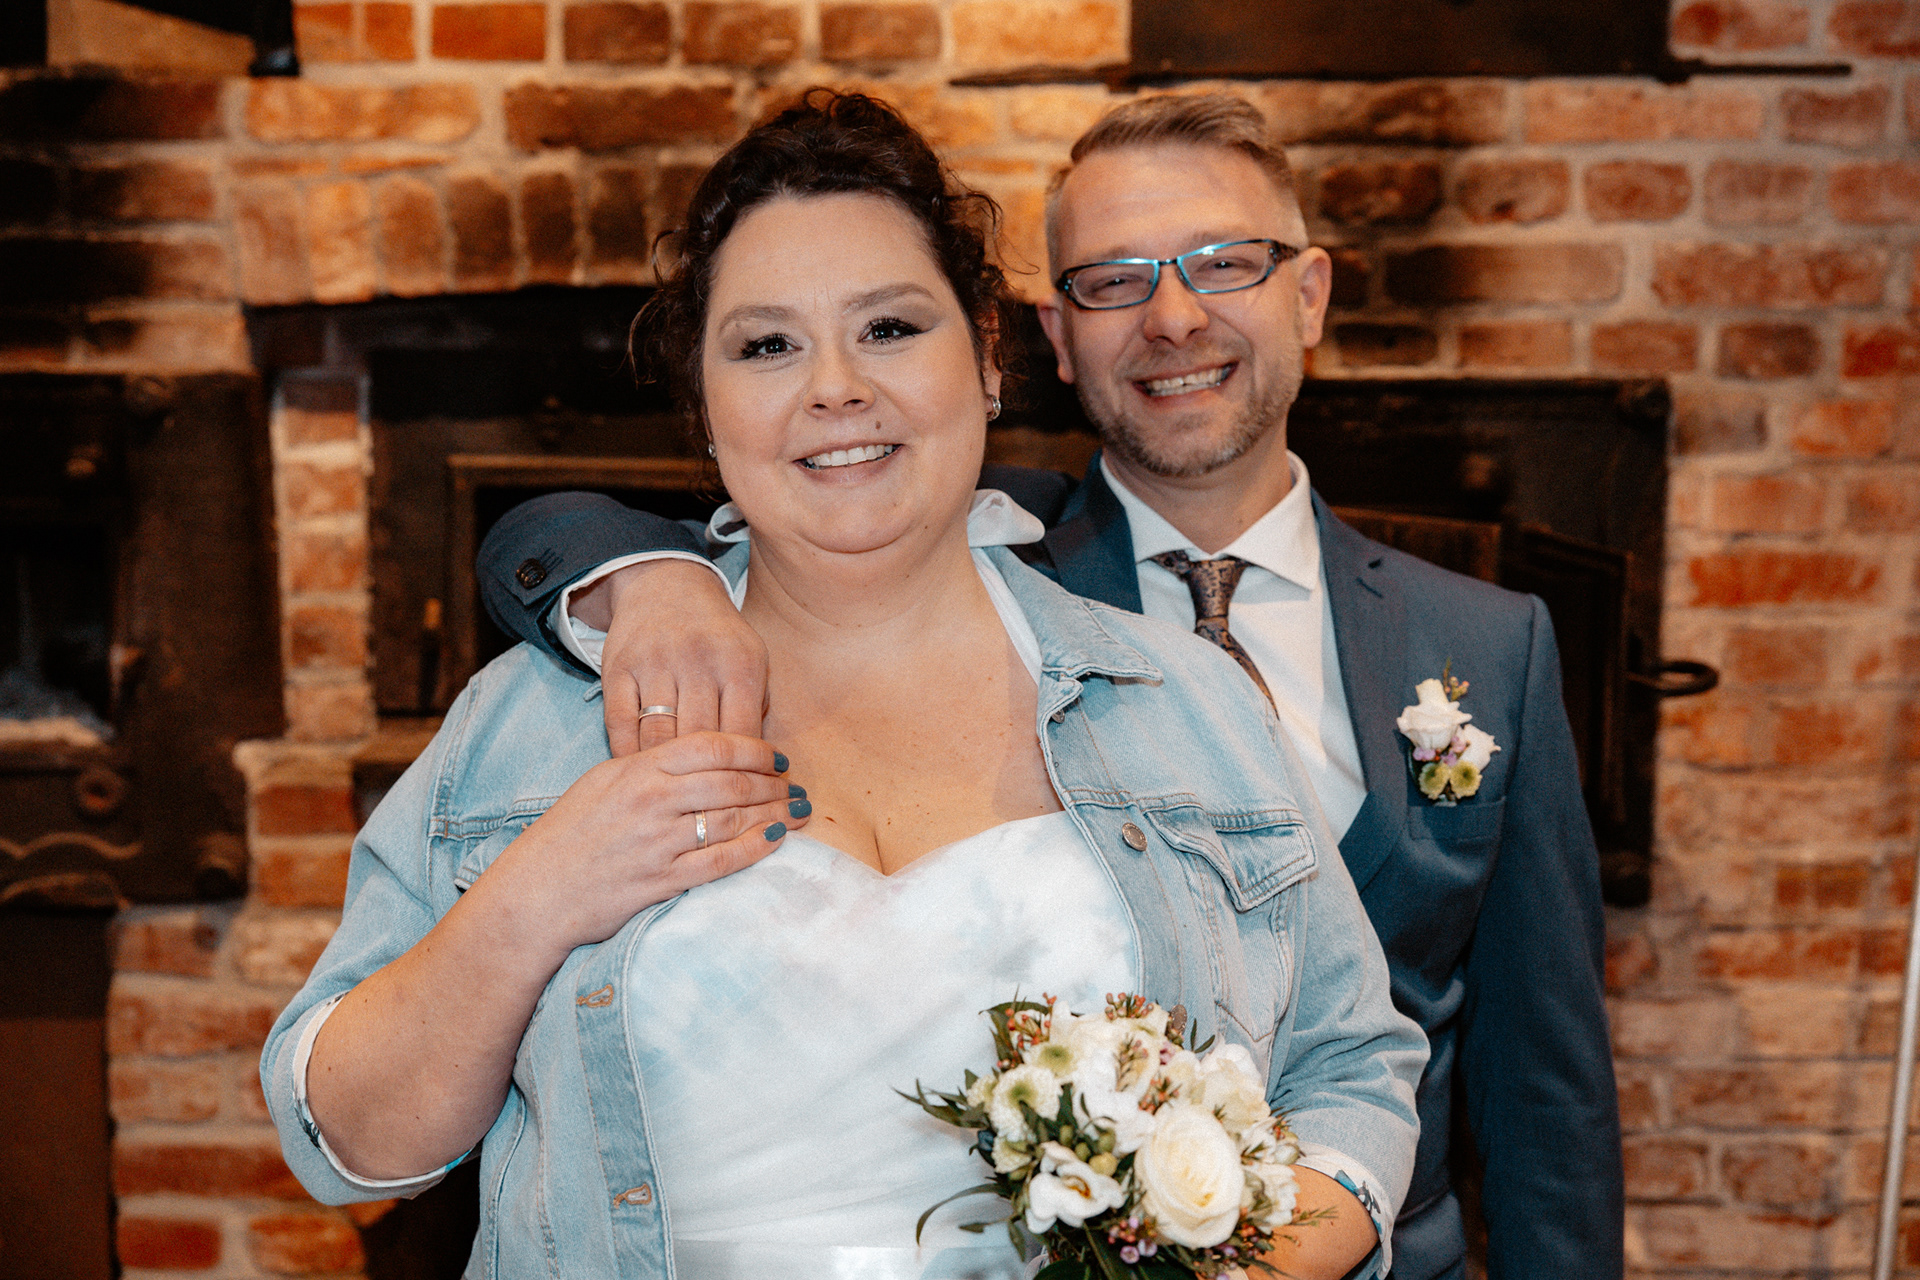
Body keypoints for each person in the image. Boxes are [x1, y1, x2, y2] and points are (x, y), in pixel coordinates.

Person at [263, 91, 1425, 1280]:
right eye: (766, 344)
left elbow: (1352, 1070)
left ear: (985, 356)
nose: (834, 387)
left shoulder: (1186, 702)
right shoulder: (543, 714)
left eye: (888, 327)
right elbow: (346, 1146)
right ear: (706, 412)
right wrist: (538, 893)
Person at [478, 91, 1623, 1280]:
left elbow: (1548, 1083)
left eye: (1225, 262)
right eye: (1113, 280)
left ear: (1311, 293)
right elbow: (580, 516)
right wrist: (652, 580)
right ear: (1047, 338)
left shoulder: (1490, 639)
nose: (1173, 316)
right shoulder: (960, 551)